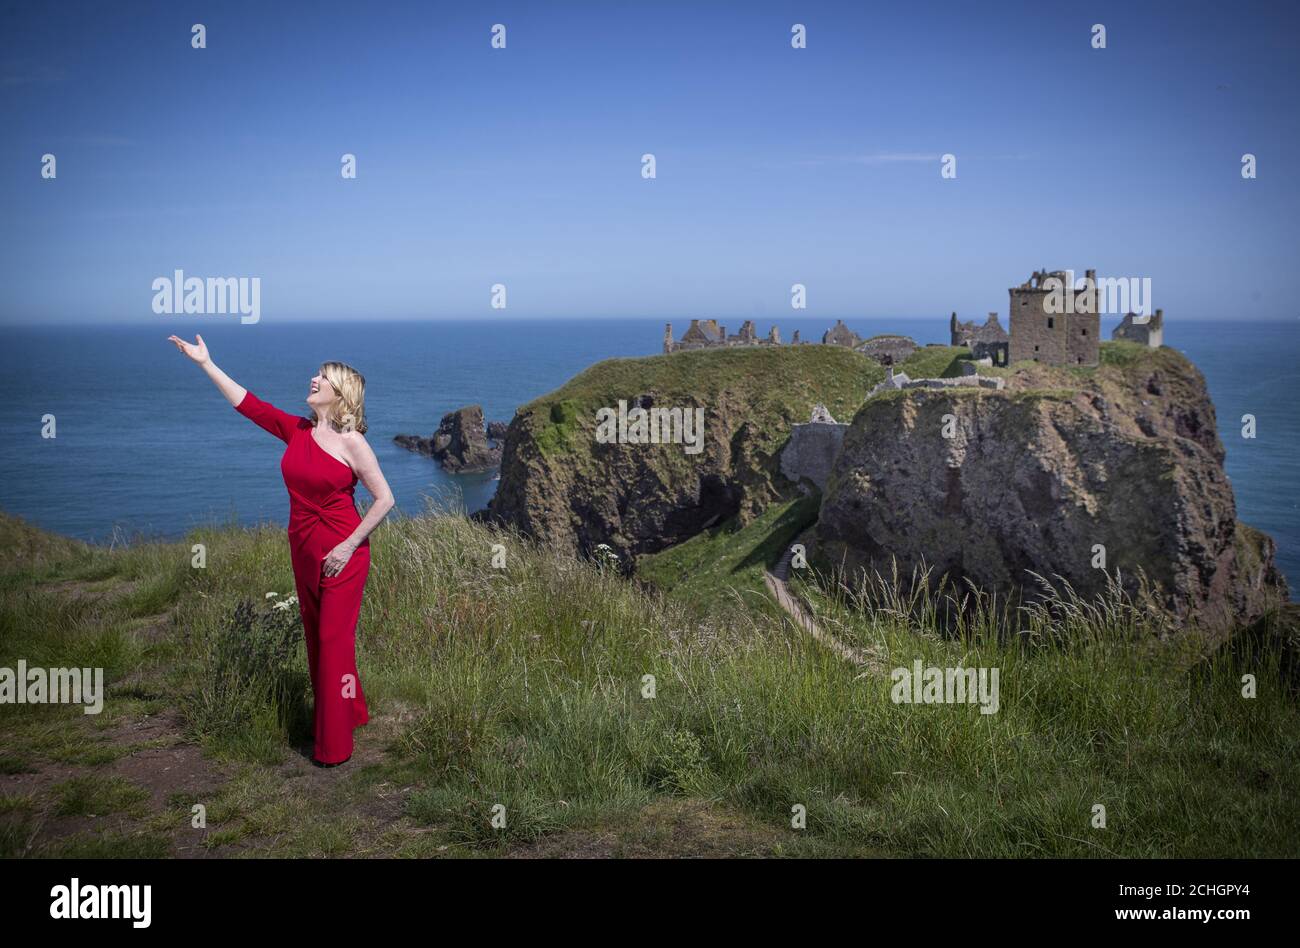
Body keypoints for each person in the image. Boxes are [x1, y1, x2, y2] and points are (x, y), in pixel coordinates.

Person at [168, 333, 394, 766]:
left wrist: (348, 547)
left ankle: (333, 749)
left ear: (339, 393)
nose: (313, 379)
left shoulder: (354, 444)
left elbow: (385, 499)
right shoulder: (296, 430)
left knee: (332, 641)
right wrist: (205, 363)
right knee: (317, 640)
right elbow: (248, 405)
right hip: (304, 550)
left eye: (322, 377)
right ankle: (352, 710)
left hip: (344, 554)